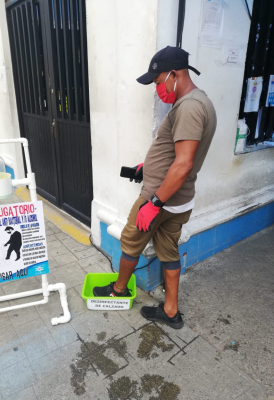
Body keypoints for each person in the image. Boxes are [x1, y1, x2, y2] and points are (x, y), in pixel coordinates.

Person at [93, 46, 217, 329]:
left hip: (161, 198)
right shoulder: (199, 102)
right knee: (168, 251)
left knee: (130, 241)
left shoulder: (189, 107)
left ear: (175, 74)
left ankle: (118, 291)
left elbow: (183, 163)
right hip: (179, 198)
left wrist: (154, 203)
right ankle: (170, 312)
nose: (158, 88)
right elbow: (175, 155)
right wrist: (147, 166)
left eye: (158, 81)